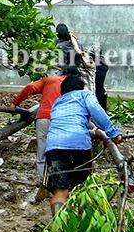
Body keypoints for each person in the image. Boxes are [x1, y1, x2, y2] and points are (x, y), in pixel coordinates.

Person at [43, 72, 123, 217]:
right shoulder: (84, 95)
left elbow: (70, 121)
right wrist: (113, 133)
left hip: (54, 145)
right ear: (81, 87)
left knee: (60, 190)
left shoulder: (58, 102)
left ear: (63, 90)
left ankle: (58, 228)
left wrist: (92, 131)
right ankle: (82, 220)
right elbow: (97, 112)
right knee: (82, 186)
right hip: (79, 144)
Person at [11, 66, 82, 200]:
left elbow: (30, 88)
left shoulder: (49, 80)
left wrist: (15, 103)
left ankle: (45, 184)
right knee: (62, 153)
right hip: (63, 121)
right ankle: (61, 185)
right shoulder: (76, 86)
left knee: (42, 152)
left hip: (44, 118)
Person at [55, 23, 96, 92]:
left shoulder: (59, 46)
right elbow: (80, 53)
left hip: (63, 71)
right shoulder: (77, 44)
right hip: (77, 69)